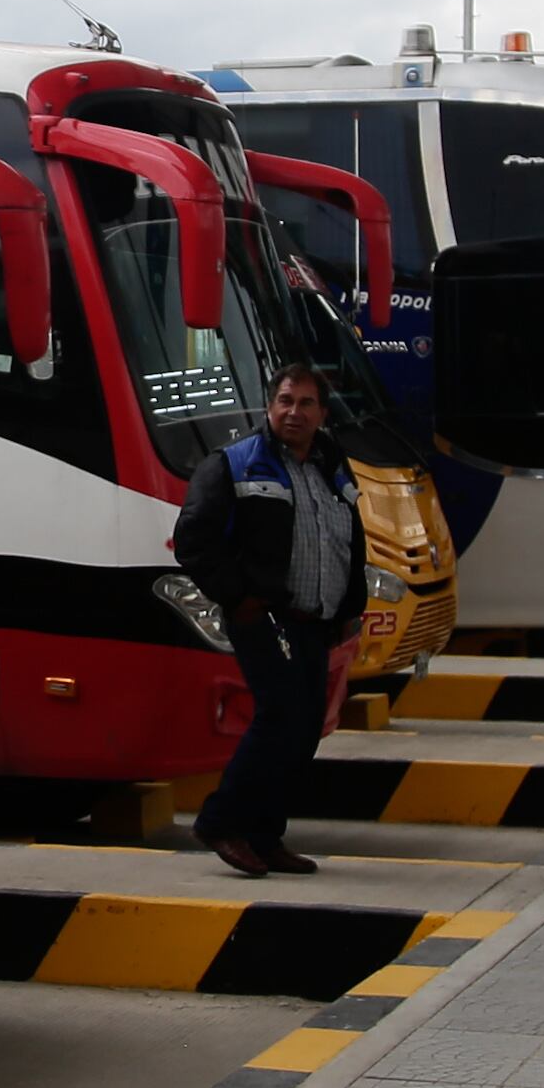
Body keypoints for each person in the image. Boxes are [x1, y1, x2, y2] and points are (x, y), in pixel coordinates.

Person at [172, 361, 362, 882]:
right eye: (284, 401)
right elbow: (192, 539)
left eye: (305, 403)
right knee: (279, 716)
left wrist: (349, 607)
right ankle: (219, 822)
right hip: (265, 617)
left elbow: (349, 539)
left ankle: (264, 835)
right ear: (269, 406)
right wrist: (240, 597)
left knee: (304, 729)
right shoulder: (234, 463)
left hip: (314, 620)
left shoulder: (331, 464)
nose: (293, 412)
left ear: (322, 413)